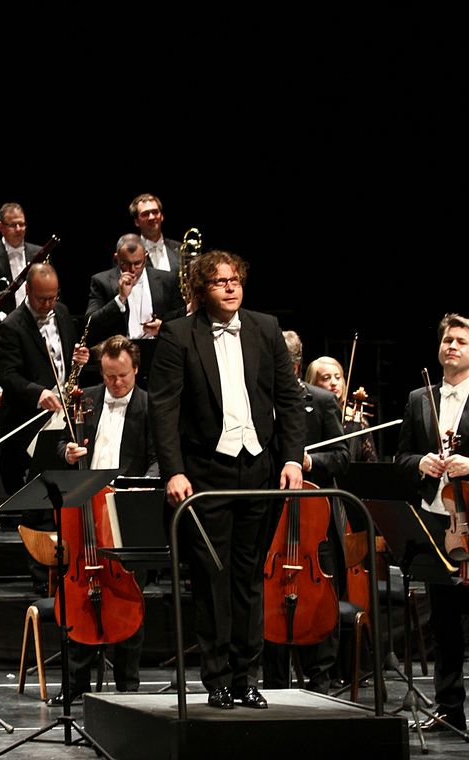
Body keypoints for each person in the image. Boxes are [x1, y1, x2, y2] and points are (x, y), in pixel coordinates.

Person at [149, 250, 304, 710]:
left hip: (258, 470)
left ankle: (246, 678)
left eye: (235, 279)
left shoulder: (266, 328)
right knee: (212, 579)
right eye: (220, 281)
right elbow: (164, 408)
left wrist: (292, 459)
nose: (231, 287)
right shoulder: (179, 334)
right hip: (206, 474)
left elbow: (289, 400)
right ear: (203, 289)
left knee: (249, 578)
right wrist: (174, 471)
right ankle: (217, 678)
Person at [395, 314, 469, 739]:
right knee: (442, 624)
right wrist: (421, 462)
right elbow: (401, 457)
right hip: (436, 520)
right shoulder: (418, 398)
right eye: (447, 340)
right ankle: (450, 711)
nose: (452, 347)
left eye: (461, 341)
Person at [49, 336, 157, 705]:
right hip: (85, 506)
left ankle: (128, 686)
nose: (116, 383)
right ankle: (75, 684)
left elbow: (158, 457)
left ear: (136, 369)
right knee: (81, 593)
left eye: (122, 376)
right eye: (109, 376)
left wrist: (141, 488)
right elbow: (59, 442)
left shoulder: (149, 405)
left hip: (126, 509)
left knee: (127, 596)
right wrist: (67, 451)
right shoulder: (87, 398)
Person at [262, 330, 349, 694]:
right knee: (267, 595)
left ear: (294, 366)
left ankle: (320, 682)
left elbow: (343, 457)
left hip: (316, 520)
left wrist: (310, 461)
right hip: (270, 514)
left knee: (319, 593)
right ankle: (273, 683)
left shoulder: (322, 401)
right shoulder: (255, 400)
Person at [0, 262, 88, 496]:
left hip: (62, 417)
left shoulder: (63, 313)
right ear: (27, 290)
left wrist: (79, 358)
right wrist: (38, 393)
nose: (47, 304)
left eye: (52, 298)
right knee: (34, 494)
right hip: (28, 422)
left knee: (65, 489)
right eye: (41, 299)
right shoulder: (11, 326)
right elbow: (8, 376)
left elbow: (66, 359)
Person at [85, 234, 184, 346]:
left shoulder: (167, 279)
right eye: (125, 263)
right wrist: (120, 299)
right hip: (119, 351)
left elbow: (181, 318)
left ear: (145, 257)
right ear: (117, 258)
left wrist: (162, 328)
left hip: (157, 349)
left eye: (137, 263)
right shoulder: (101, 281)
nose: (132, 269)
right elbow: (90, 324)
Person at [305, 356, 378, 463]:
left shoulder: (356, 420)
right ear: (313, 384)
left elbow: (371, 464)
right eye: (326, 378)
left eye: (338, 377)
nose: (334, 383)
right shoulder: (307, 416)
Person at [0, 203, 42, 309]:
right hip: (3, 318)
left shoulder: (39, 253)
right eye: (13, 225)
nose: (18, 229)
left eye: (22, 224)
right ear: (1, 227)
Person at [129, 194, 179, 272]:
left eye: (155, 212)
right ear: (136, 222)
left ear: (162, 216)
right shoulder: (129, 253)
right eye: (145, 214)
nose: (151, 217)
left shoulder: (179, 248)